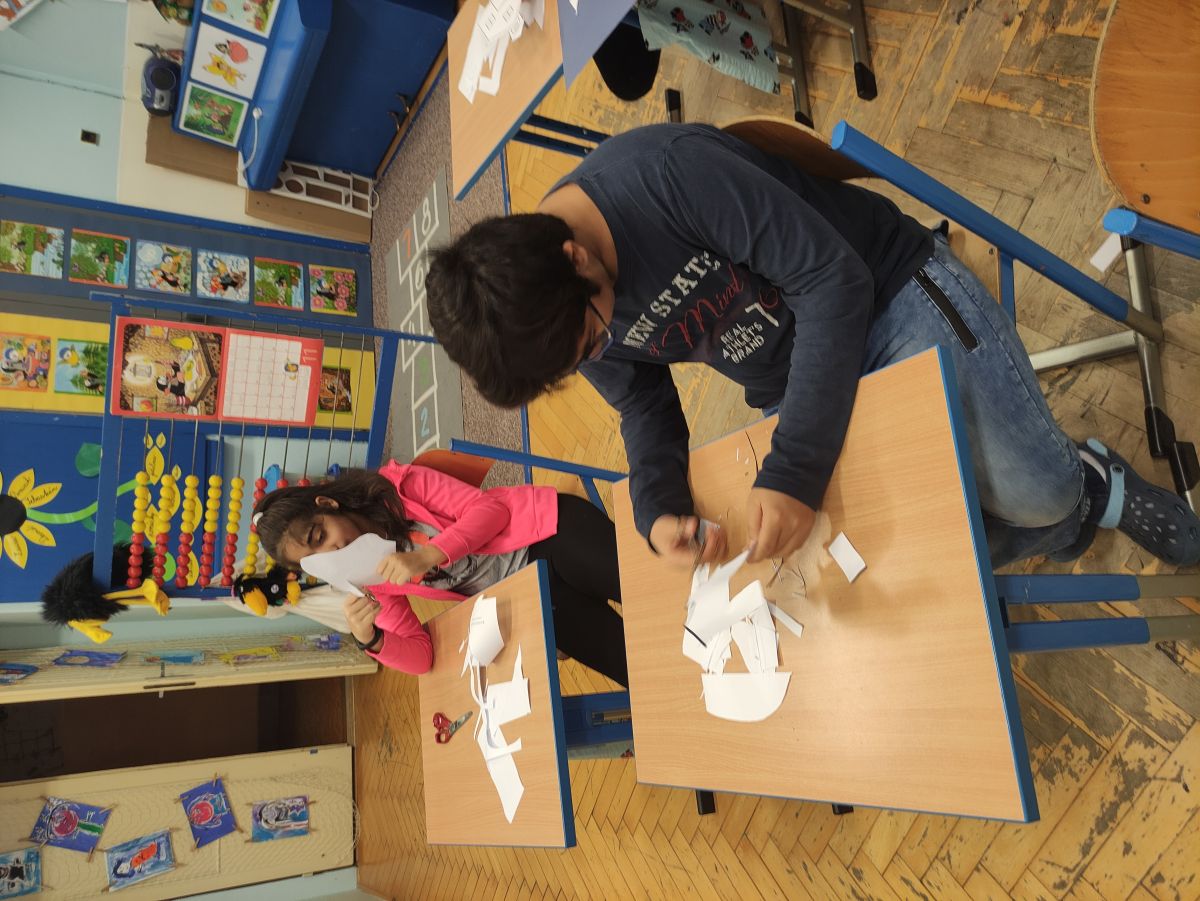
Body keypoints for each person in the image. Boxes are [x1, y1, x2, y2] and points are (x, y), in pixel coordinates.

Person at [425, 123, 1200, 570]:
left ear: (574, 256)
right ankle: (1059, 515)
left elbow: (834, 282)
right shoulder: (560, 318)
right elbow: (642, 405)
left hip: (886, 294)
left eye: (595, 334)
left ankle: (1092, 484)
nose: (602, 348)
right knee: (907, 557)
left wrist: (794, 470)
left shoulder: (667, 179)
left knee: (1039, 495)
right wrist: (657, 511)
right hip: (794, 381)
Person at [252, 463, 628, 684]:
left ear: (327, 504)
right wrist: (371, 640)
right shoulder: (369, 581)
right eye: (316, 560)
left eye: (320, 536)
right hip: (527, 592)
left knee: (641, 585)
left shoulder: (398, 488)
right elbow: (422, 657)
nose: (331, 552)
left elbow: (492, 511)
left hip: (544, 531)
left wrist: (430, 554)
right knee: (628, 663)